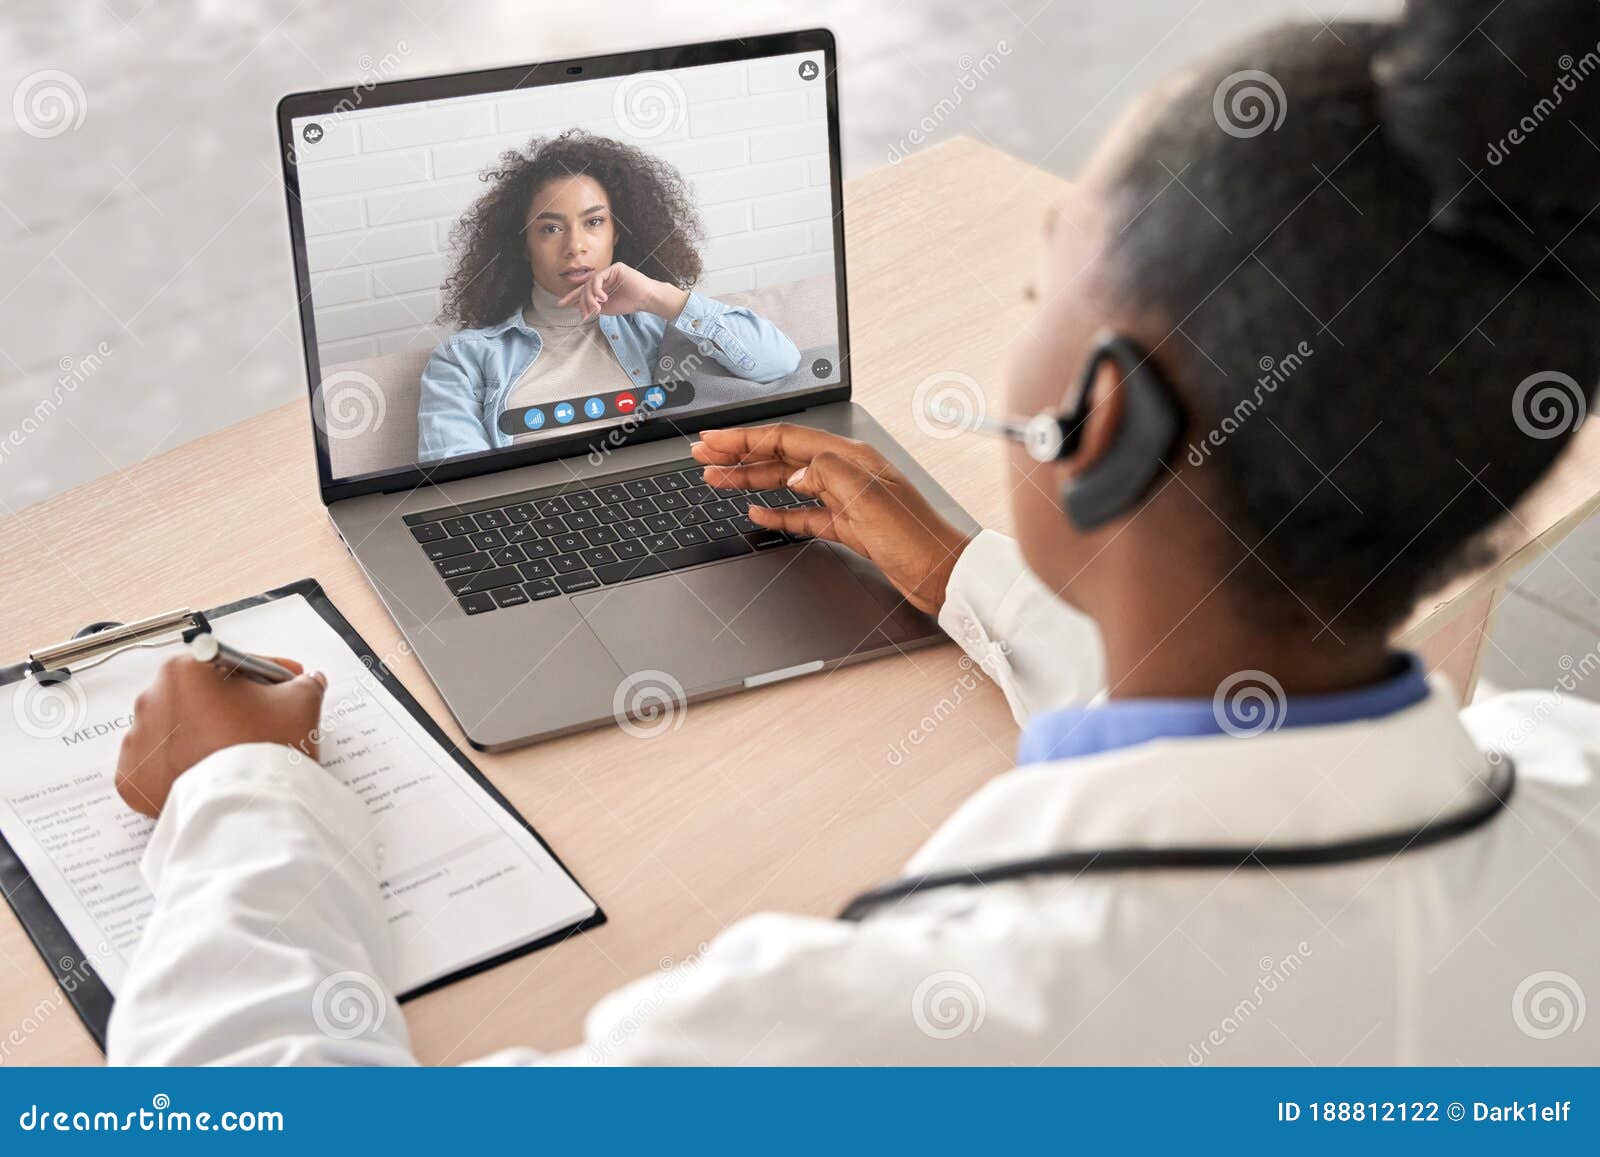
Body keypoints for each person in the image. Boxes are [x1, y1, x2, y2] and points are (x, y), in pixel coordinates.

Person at [109, 1, 1600, 1064]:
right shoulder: (1565, 784)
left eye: (1041, 287)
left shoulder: (861, 1035)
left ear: (1099, 427)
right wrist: (966, 576)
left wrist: (242, 802)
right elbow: (1251, 774)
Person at [416, 130, 800, 462]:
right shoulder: (464, 360)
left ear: (618, 232)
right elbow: (457, 487)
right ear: (522, 245)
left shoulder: (660, 324)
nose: (575, 246)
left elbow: (779, 363)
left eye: (594, 222)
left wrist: (659, 296)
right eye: (550, 229)